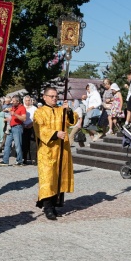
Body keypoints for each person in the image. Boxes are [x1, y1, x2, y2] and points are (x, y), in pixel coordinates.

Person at [33, 86, 76, 220]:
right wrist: (55, 134)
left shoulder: (60, 110)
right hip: (47, 151)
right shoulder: (39, 112)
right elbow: (39, 128)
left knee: (58, 177)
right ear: (44, 97)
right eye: (51, 96)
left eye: (56, 96)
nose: (54, 98)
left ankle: (55, 204)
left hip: (62, 150)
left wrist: (68, 111)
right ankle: (47, 207)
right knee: (48, 178)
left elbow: (72, 121)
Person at [0, 94, 26, 166]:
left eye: (13, 101)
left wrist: (15, 114)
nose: (12, 102)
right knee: (7, 144)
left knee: (17, 145)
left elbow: (24, 118)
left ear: (18, 101)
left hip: (17, 127)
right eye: (12, 101)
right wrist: (8, 117)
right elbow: (10, 113)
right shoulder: (13, 107)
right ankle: (5, 160)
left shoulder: (22, 108)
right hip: (11, 127)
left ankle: (19, 161)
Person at [22, 95, 37, 164]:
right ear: (24, 101)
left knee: (33, 143)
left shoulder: (34, 108)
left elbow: (36, 118)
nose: (28, 102)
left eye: (29, 100)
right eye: (26, 100)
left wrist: (32, 124)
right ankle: (24, 158)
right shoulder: (22, 108)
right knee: (24, 143)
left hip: (32, 127)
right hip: (23, 127)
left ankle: (33, 159)